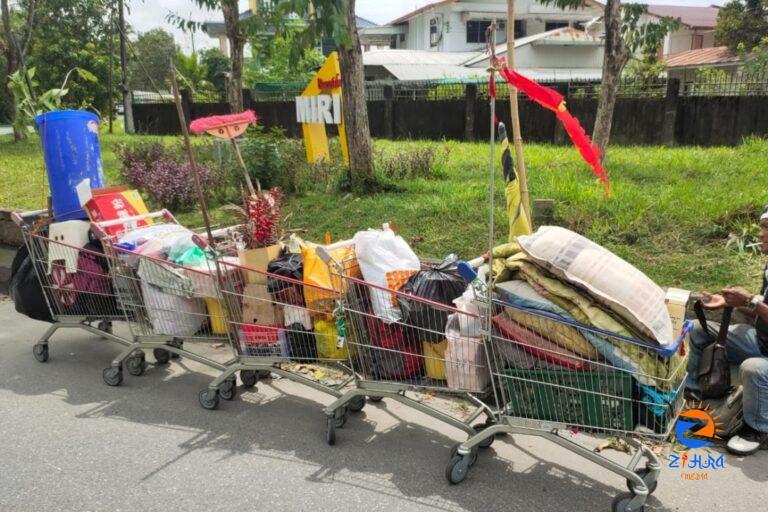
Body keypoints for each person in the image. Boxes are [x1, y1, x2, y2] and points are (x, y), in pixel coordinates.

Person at [685, 207, 768, 456]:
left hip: (762, 354)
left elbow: (759, 305)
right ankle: (697, 399)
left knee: (753, 369)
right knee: (700, 330)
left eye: (767, 229)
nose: (762, 234)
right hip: (762, 340)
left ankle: (757, 430)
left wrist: (751, 300)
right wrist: (731, 302)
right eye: (763, 227)